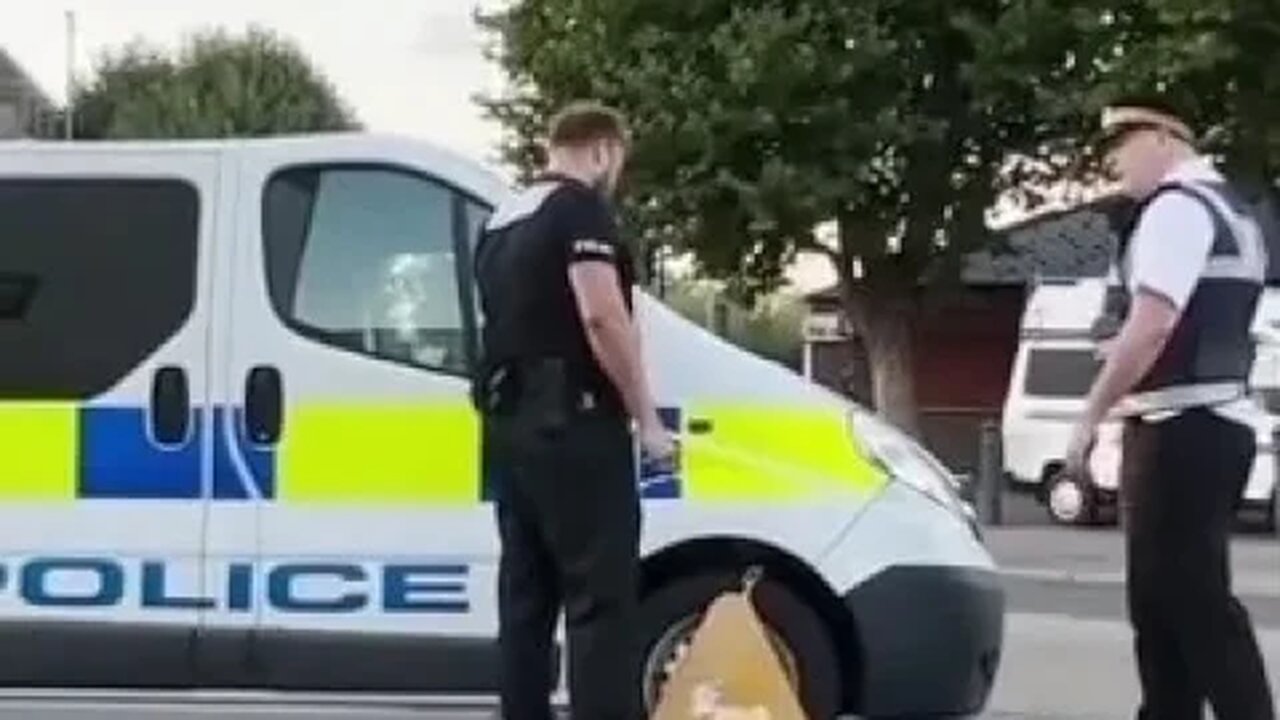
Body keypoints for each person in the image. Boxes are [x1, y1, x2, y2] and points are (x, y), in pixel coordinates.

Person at [1066, 94, 1275, 720]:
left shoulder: (1176, 211)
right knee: (1167, 607)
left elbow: (1153, 325)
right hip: (1212, 423)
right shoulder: (1235, 211)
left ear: (1161, 137)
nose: (1116, 169)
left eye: (1121, 151)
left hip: (1178, 426)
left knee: (1189, 603)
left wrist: (1090, 413)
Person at [471, 101, 676, 720]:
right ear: (603, 150)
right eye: (618, 161)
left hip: (510, 429)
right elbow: (601, 316)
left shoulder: (500, 222)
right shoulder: (579, 209)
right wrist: (647, 418)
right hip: (576, 425)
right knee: (600, 604)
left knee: (526, 602)